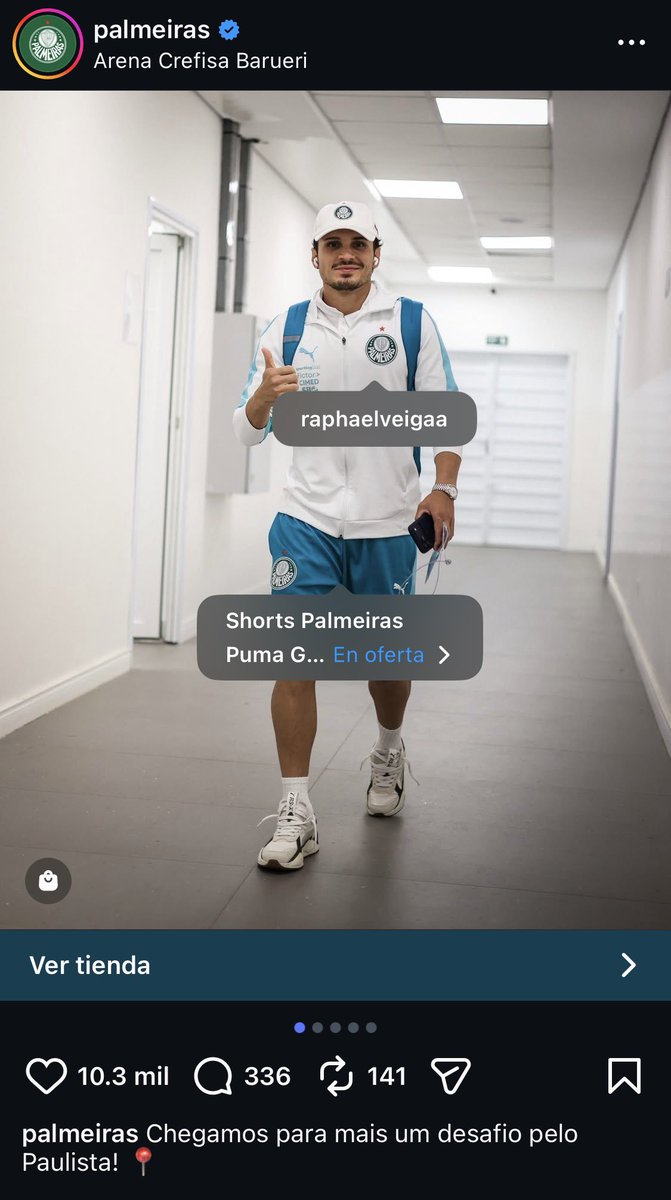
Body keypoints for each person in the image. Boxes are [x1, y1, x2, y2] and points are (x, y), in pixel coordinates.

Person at [233, 201, 461, 870]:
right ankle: (295, 812)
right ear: (315, 255)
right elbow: (247, 429)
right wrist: (264, 398)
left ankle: (387, 750)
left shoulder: (411, 322)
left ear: (374, 253)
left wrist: (441, 488)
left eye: (355, 242)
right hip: (305, 520)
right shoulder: (289, 325)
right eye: (331, 243)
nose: (344, 253)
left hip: (386, 522)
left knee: (384, 665)